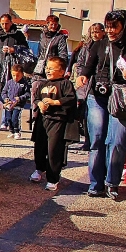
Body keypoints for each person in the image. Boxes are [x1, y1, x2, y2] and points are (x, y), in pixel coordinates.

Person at [76, 10, 126, 200]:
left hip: (121, 100)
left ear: (124, 26)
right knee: (96, 139)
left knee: (118, 141)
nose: (110, 30)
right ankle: (96, 184)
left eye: (114, 26)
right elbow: (89, 64)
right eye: (108, 26)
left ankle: (112, 183)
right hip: (98, 96)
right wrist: (83, 75)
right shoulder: (99, 43)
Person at [28, 57, 78, 191]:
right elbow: (37, 97)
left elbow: (71, 99)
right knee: (39, 146)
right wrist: (39, 103)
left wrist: (55, 102)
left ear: (61, 71)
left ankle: (53, 178)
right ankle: (39, 169)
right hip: (42, 120)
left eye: (51, 68)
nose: (48, 70)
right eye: (47, 68)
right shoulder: (43, 84)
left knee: (54, 149)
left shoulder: (65, 83)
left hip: (57, 120)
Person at [69, 23, 106, 150]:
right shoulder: (86, 47)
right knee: (85, 113)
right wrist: (81, 76)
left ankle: (95, 141)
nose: (95, 34)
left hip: (98, 84)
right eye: (92, 32)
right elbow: (79, 63)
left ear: (103, 32)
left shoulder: (106, 46)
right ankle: (87, 140)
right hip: (85, 84)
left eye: (97, 32)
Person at [29, 15, 68, 125]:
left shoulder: (60, 38)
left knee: (51, 91)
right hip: (40, 69)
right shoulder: (42, 36)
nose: (53, 26)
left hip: (53, 70)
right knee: (35, 88)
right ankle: (35, 115)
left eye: (55, 24)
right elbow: (39, 53)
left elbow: (63, 55)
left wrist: (59, 67)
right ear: (47, 24)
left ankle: (49, 115)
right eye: (51, 24)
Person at [0, 13, 29, 97]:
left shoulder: (18, 34)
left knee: (12, 92)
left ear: (11, 23)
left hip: (13, 67)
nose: (4, 26)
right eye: (2, 23)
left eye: (6, 23)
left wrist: (14, 49)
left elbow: (25, 48)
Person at [0, 64, 30, 139]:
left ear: (22, 74)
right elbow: (4, 92)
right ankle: (12, 131)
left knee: (15, 118)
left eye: (18, 76)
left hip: (18, 104)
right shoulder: (9, 82)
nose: (15, 78)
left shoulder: (24, 83)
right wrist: (5, 98)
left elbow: (27, 93)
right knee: (8, 118)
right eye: (13, 75)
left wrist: (20, 98)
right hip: (9, 104)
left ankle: (17, 131)